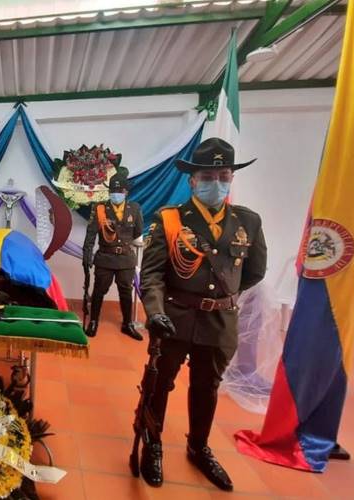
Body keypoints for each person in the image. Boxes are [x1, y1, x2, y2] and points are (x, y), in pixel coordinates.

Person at [138, 138, 267, 491]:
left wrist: (221, 299)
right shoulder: (170, 219)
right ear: (192, 180)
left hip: (220, 321)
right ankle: (152, 442)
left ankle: (198, 447)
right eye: (208, 175)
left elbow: (254, 271)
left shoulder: (248, 222)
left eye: (223, 175)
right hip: (174, 318)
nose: (217, 182)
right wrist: (154, 311)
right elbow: (150, 274)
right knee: (158, 384)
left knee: (206, 388)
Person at [82, 173, 144, 340]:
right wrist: (86, 255)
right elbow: (91, 234)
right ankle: (93, 322)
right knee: (99, 290)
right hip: (105, 258)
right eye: (113, 190)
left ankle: (127, 324)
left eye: (119, 190)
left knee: (126, 291)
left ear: (126, 192)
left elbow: (138, 231)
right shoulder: (100, 208)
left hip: (125, 259)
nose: (115, 194)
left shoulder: (135, 208)